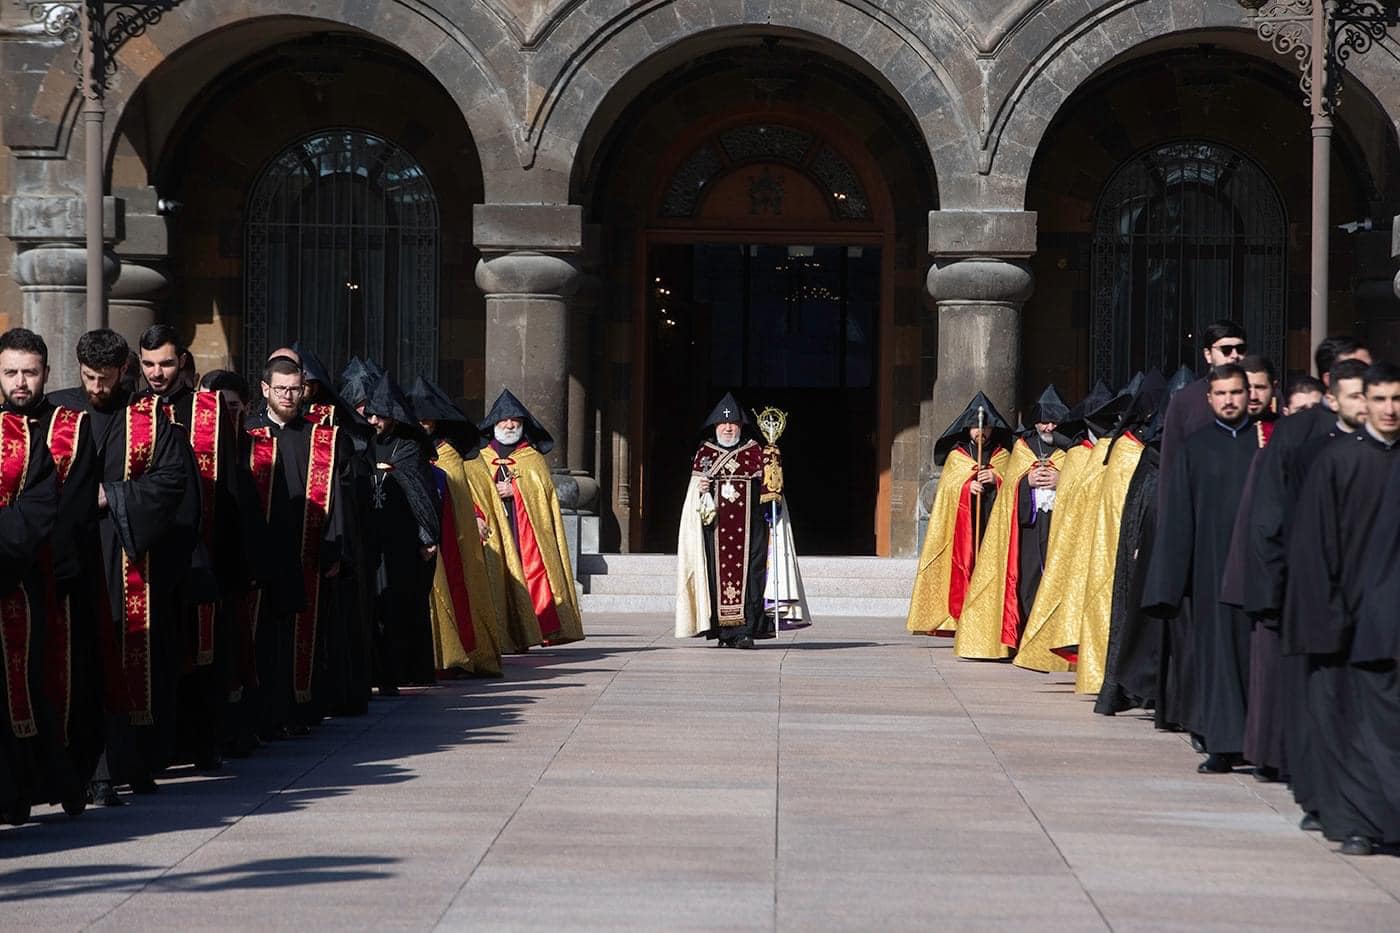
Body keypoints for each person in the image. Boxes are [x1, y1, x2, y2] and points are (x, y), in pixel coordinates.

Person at [49, 329, 190, 798]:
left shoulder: (149, 416)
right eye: (89, 377)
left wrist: (115, 495)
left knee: (126, 657)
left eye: (105, 379)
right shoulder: (59, 411)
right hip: (69, 555)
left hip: (128, 555)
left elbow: (174, 481)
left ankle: (127, 765)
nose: (96, 389)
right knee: (78, 658)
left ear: (123, 372)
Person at [1239, 341, 1370, 828]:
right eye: (1357, 395)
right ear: (1334, 396)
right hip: (1316, 598)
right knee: (1320, 702)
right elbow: (1275, 524)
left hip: (1371, 606)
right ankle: (1322, 799)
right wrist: (1280, 590)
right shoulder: (1308, 447)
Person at [1285, 362, 1400, 855]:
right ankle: (1359, 825)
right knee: (1354, 727)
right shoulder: (1336, 462)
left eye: (1398, 400)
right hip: (1352, 620)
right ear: (1363, 404)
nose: (1390, 409)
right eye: (1380, 400)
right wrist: (1328, 617)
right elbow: (1315, 548)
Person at [1141, 364, 1259, 774]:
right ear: (1210, 399)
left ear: (1249, 396)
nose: (1229, 400)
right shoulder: (1195, 449)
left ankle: (1259, 743)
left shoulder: (1264, 446)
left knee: (1254, 657)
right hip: (1209, 572)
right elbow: (1178, 519)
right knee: (1216, 659)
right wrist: (1169, 583)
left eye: (1236, 392)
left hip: (1259, 572)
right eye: (1221, 393)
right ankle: (1222, 744)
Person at [138, 324, 240, 771]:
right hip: (149, 553)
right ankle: (156, 746)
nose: (156, 373)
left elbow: (233, 484)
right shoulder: (134, 410)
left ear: (182, 361)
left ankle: (201, 743)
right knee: (155, 652)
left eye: (164, 363)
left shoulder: (209, 410)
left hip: (203, 548)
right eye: (148, 364)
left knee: (202, 653)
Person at [243, 355, 348, 734]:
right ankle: (260, 715)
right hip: (260, 552)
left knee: (299, 636)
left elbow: (334, 496)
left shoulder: (317, 437)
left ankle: (295, 711)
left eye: (295, 389)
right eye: (281, 389)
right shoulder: (249, 433)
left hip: (304, 551)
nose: (289, 396)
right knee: (259, 636)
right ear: (265, 389)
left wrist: (334, 547)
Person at [0, 329, 80, 821]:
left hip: (15, 584)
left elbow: (36, 513)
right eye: (11, 372)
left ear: (46, 374)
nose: (20, 382)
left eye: (29, 372)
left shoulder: (44, 439)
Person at [953, 385, 1069, 660]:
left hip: (1059, 526)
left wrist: (1061, 480)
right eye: (1043, 420)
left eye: (1053, 421)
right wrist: (1024, 482)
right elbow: (1009, 490)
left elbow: (1082, 481)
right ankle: (1024, 640)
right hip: (1027, 527)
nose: (1048, 426)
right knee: (1027, 583)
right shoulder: (1023, 447)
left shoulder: (1070, 448)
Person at [467, 390, 584, 651]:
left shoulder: (531, 458)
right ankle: (500, 634)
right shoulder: (479, 457)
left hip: (524, 532)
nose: (509, 426)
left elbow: (543, 494)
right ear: (493, 424)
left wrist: (516, 491)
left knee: (530, 575)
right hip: (493, 530)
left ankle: (533, 630)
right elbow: (470, 490)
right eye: (504, 421)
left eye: (515, 422)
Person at [408, 376, 505, 677]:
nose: (424, 423)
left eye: (429, 418)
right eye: (418, 417)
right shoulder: (405, 449)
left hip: (450, 539)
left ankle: (455, 653)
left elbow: (461, 497)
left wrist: (471, 517)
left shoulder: (449, 454)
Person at [674, 393, 783, 647]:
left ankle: (745, 631)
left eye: (733, 423)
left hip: (751, 529)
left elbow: (771, 489)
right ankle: (722, 633)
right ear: (715, 426)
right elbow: (693, 498)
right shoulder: (705, 452)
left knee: (751, 578)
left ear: (741, 426)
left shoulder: (756, 451)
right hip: (715, 530)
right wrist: (700, 488)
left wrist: (774, 469)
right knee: (714, 577)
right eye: (723, 423)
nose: (728, 427)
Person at [906, 393, 1012, 637]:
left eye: (985, 427)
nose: (980, 432)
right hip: (964, 528)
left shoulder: (1002, 455)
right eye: (976, 427)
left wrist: (996, 478)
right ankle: (959, 618)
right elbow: (947, 491)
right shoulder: (958, 456)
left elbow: (1013, 483)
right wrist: (966, 487)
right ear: (968, 429)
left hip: (991, 521)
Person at [361, 373, 440, 694]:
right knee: (375, 607)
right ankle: (377, 672)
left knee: (403, 605)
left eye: (380, 415)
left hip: (404, 539)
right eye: (371, 414)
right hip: (373, 538)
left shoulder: (409, 445)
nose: (375, 420)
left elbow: (421, 494)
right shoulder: (365, 442)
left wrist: (426, 536)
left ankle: (405, 670)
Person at [1242, 355, 1278, 422]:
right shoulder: (1219, 430)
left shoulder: (1288, 429)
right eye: (1247, 388)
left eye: (1260, 388)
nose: (1253, 397)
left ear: (1273, 389)